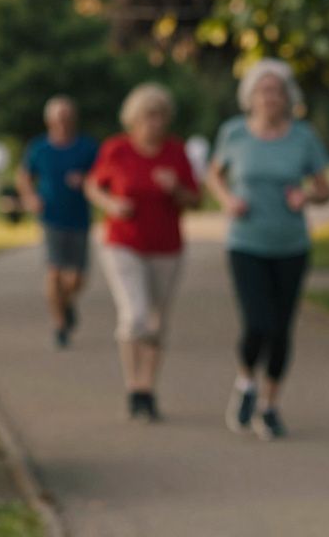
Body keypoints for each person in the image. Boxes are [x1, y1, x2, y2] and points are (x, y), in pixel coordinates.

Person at [205, 59, 329, 440]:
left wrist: (305, 195)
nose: (269, 97)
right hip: (246, 242)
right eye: (263, 90)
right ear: (251, 96)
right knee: (258, 323)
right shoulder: (233, 134)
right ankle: (246, 382)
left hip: (291, 244)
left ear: (287, 97)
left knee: (281, 329)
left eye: (276, 91)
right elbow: (214, 174)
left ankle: (270, 405)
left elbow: (324, 188)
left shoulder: (303, 137)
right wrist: (227, 200)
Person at [85, 83, 199, 421]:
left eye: (161, 116)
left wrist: (175, 188)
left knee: (157, 320)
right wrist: (111, 204)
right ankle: (132, 383)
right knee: (134, 315)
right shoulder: (116, 150)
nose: (155, 122)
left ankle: (147, 388)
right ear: (134, 119)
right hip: (123, 244)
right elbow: (93, 185)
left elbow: (194, 199)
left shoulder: (176, 153)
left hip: (166, 248)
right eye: (148, 115)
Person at [17, 96, 99, 348]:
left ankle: (66, 303)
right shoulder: (39, 148)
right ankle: (60, 325)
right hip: (50, 217)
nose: (62, 122)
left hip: (79, 217)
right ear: (49, 120)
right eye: (57, 117)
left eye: (66, 117)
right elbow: (24, 176)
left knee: (76, 278)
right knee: (54, 271)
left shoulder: (87, 147)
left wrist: (85, 179)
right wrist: (30, 198)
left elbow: (103, 178)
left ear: (73, 119)